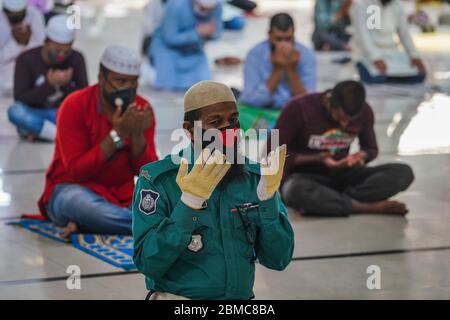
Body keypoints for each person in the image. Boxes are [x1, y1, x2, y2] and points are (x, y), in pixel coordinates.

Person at [133, 81, 294, 300]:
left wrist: (268, 202)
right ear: (190, 130)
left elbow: (279, 260)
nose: (229, 130)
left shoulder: (255, 178)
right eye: (216, 122)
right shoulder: (159, 180)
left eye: (233, 120)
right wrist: (189, 203)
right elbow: (148, 263)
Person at [38, 45, 158, 237]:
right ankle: (153, 225)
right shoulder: (74, 105)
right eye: (120, 81)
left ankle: (94, 225)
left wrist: (137, 135)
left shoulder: (141, 108)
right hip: (73, 190)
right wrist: (118, 134)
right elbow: (77, 171)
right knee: (81, 205)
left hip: (123, 194)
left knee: (166, 197)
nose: (127, 89)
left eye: (132, 82)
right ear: (101, 79)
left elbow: (146, 173)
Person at [273, 80, 414, 217]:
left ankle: (333, 202)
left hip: (343, 175)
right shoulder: (298, 108)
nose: (345, 124)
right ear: (329, 103)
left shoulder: (365, 112)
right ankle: (365, 207)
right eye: (340, 118)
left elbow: (370, 149)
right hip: (304, 177)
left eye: (350, 120)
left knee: (402, 172)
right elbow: (272, 153)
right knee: (293, 190)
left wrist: (360, 157)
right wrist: (319, 158)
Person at [7, 15, 88, 141]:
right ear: (46, 42)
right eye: (57, 50)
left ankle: (40, 132)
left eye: (66, 52)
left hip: (61, 114)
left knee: (89, 115)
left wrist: (65, 85)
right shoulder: (26, 59)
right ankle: (58, 135)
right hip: (34, 112)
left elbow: (84, 98)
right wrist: (49, 85)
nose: (61, 56)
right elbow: (21, 98)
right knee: (15, 112)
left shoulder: (76, 58)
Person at [239, 13, 316, 109]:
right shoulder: (255, 54)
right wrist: (277, 69)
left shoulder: (306, 54)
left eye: (288, 39)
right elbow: (251, 101)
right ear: (269, 35)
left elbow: (307, 102)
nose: (283, 45)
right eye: (279, 39)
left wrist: (291, 69)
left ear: (294, 33)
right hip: (263, 110)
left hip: (293, 111)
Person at [149, 0, 223, 91]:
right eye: (202, 8)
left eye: (209, 10)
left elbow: (218, 32)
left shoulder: (217, 6)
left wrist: (211, 33)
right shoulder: (175, 5)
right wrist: (197, 33)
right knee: (166, 87)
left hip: (194, 51)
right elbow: (169, 37)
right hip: (167, 50)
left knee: (204, 88)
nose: (206, 13)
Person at [351, 0, 427, 84]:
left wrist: (414, 55)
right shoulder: (361, 4)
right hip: (366, 54)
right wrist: (376, 58)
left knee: (419, 75)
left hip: (391, 52)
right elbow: (363, 36)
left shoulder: (398, 4)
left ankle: (393, 77)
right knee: (377, 78)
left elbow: (404, 33)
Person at [0, 0, 45, 94]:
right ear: (4, 11)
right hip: (4, 82)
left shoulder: (35, 15)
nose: (17, 19)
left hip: (32, 76)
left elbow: (42, 50)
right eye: (13, 16)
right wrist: (16, 43)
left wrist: (26, 42)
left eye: (20, 15)